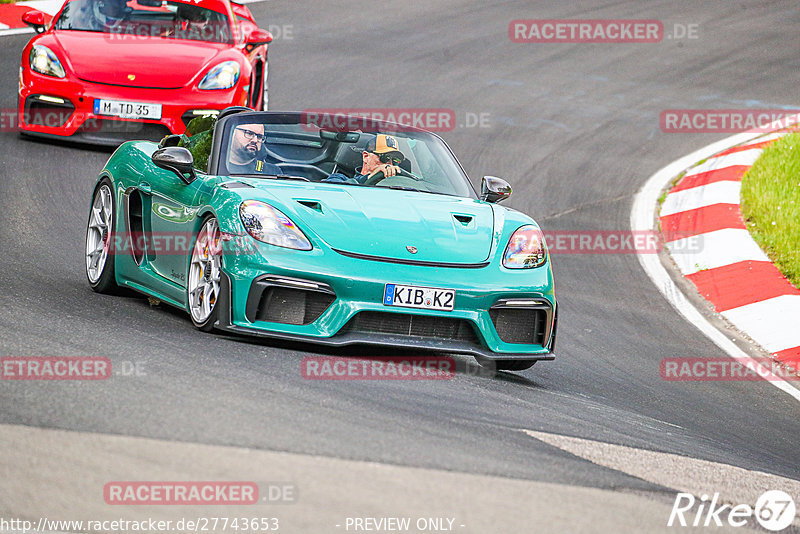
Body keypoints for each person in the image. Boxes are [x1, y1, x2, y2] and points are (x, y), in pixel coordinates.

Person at [325, 134, 405, 184]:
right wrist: (370, 177)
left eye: (395, 161)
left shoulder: (400, 186)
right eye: (385, 158)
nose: (389, 164)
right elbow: (329, 190)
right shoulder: (340, 178)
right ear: (366, 157)